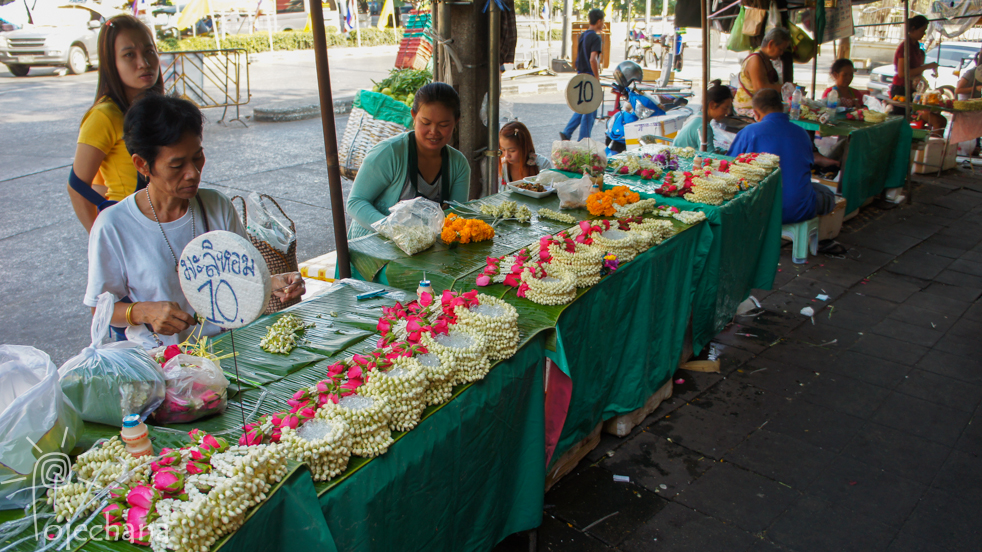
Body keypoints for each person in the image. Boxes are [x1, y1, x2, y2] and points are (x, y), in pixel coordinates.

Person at [84, 94, 304, 348]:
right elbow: (100, 311)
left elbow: (242, 277)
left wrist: (273, 283)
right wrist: (143, 312)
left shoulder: (216, 206)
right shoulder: (114, 226)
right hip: (163, 360)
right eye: (177, 165)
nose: (193, 173)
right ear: (142, 164)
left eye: (197, 157)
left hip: (230, 347)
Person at [69, 14, 164, 233]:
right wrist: (101, 238)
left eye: (149, 51)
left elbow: (99, 183)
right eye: (129, 54)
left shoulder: (160, 109)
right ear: (111, 62)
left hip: (167, 223)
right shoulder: (104, 115)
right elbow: (77, 186)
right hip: (130, 227)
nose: (144, 63)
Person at [346, 82, 470, 238]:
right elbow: (355, 202)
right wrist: (395, 230)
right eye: (426, 123)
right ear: (413, 116)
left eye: (443, 125)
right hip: (372, 249)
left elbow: (455, 216)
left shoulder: (458, 164)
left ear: (456, 122)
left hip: (425, 251)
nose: (434, 132)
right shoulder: (389, 153)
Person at [728, 89, 836, 225]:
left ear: (755, 114)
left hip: (759, 210)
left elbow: (728, 167)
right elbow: (807, 166)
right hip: (799, 210)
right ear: (783, 108)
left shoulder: (749, 133)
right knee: (826, 192)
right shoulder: (802, 133)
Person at [892, 15, 946, 131]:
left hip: (912, 88)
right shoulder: (905, 47)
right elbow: (902, 73)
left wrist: (927, 66)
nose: (924, 34)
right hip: (901, 88)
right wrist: (927, 66)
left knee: (909, 122)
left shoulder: (916, 45)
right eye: (922, 30)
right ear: (913, 29)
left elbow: (916, 67)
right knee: (900, 123)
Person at [559, 8, 604, 142]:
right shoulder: (595, 37)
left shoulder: (583, 35)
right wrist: (597, 77)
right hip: (590, 76)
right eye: (603, 22)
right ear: (599, 21)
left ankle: (567, 132)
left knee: (582, 106)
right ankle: (583, 140)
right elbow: (593, 59)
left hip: (581, 74)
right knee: (590, 109)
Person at [733, 27, 791, 117]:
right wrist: (786, 87)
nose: (782, 53)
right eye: (780, 49)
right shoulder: (755, 59)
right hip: (748, 108)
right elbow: (760, 89)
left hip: (761, 106)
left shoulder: (766, 60)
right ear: (771, 44)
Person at [673, 80, 733, 153]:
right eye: (725, 108)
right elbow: (709, 157)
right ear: (712, 105)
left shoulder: (698, 117)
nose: (726, 113)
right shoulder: (703, 127)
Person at [499, 121, 553, 187]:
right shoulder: (501, 166)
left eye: (512, 151)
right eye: (503, 149)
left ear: (524, 147)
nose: (507, 155)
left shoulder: (543, 165)